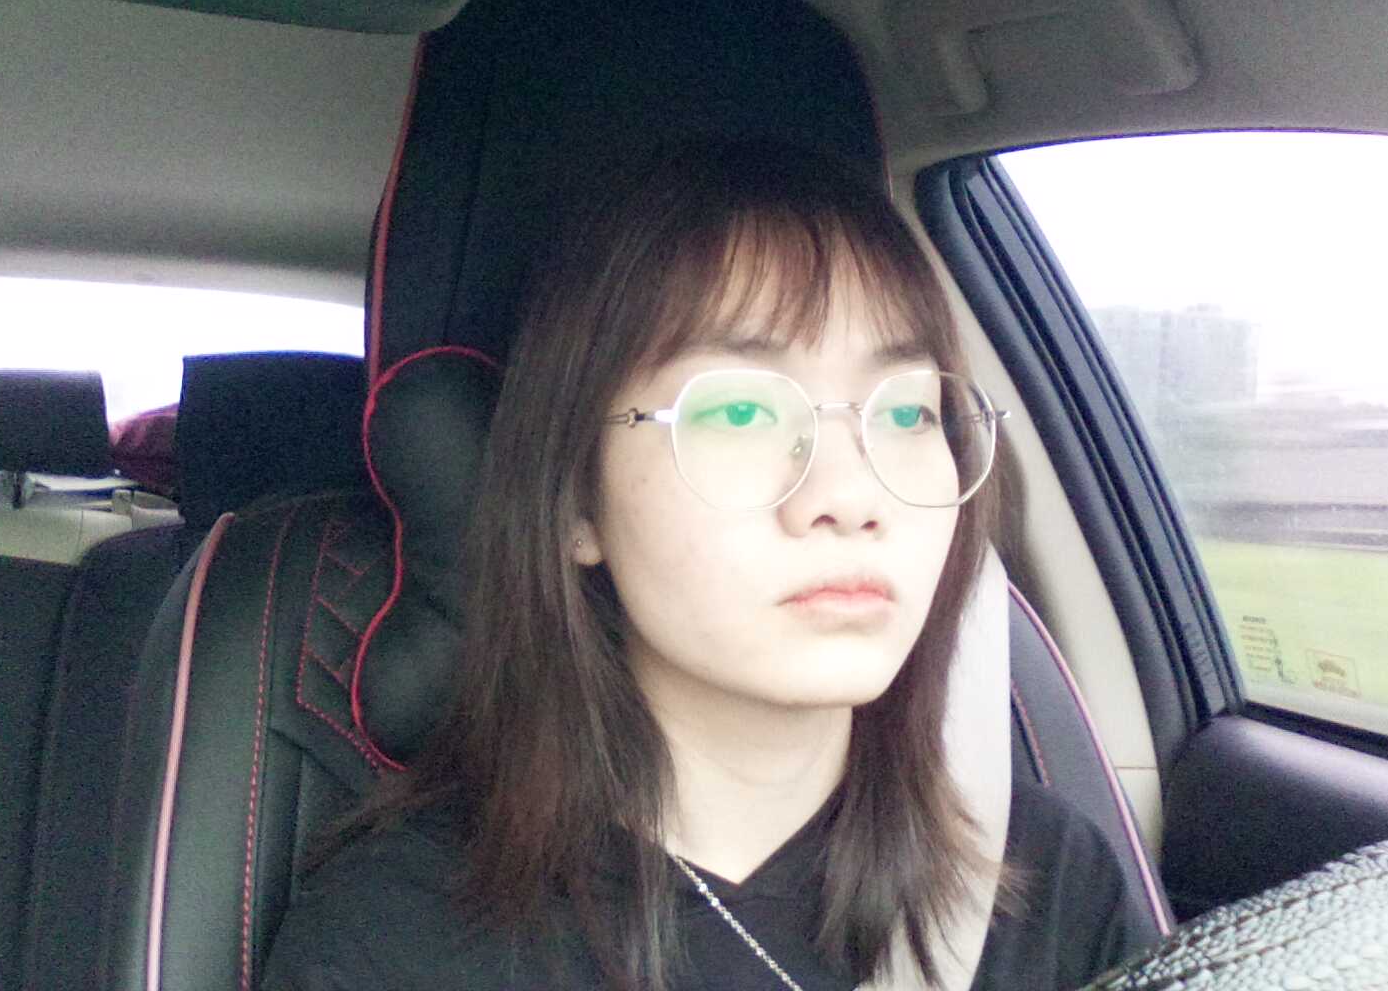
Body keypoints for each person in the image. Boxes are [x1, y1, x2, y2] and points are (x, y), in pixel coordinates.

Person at [263, 137, 1160, 991]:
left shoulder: (1044, 887)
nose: (851, 495)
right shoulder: (392, 942)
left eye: (906, 413)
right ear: (576, 503)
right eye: (740, 412)